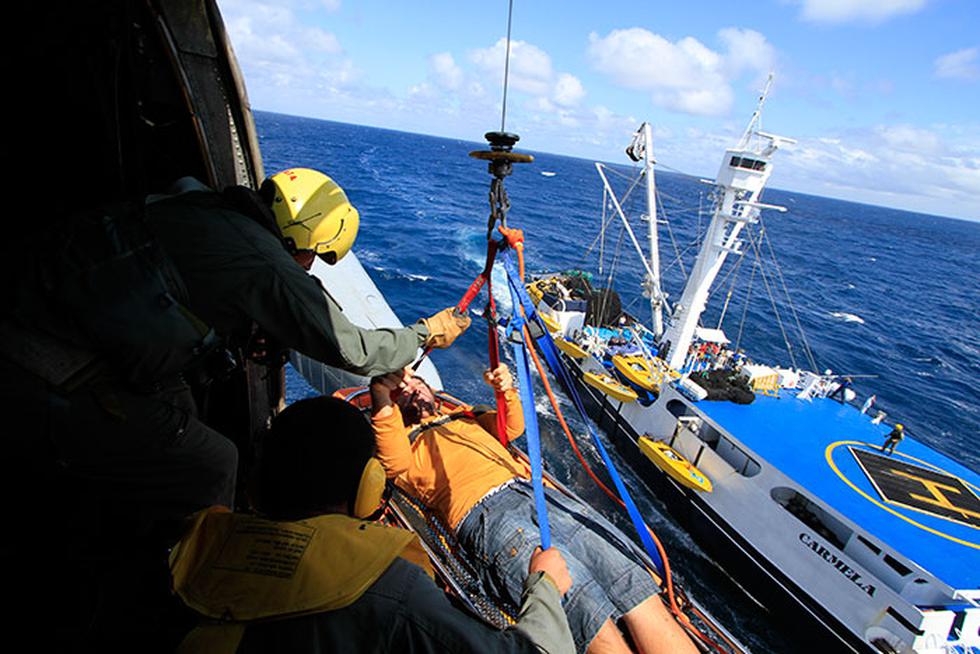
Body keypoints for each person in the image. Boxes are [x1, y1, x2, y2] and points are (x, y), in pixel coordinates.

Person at [170, 396, 576, 654]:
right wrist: (544, 590)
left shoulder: (191, 548)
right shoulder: (390, 587)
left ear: (257, 483)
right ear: (370, 485)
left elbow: (509, 424)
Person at [370, 366, 698, 654]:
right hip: (488, 513)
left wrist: (505, 390)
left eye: (417, 383)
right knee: (584, 612)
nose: (412, 389)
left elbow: (509, 429)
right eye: (403, 392)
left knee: (631, 583)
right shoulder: (402, 442)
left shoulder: (465, 415)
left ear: (431, 389)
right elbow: (393, 463)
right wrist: (383, 397)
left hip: (539, 495)